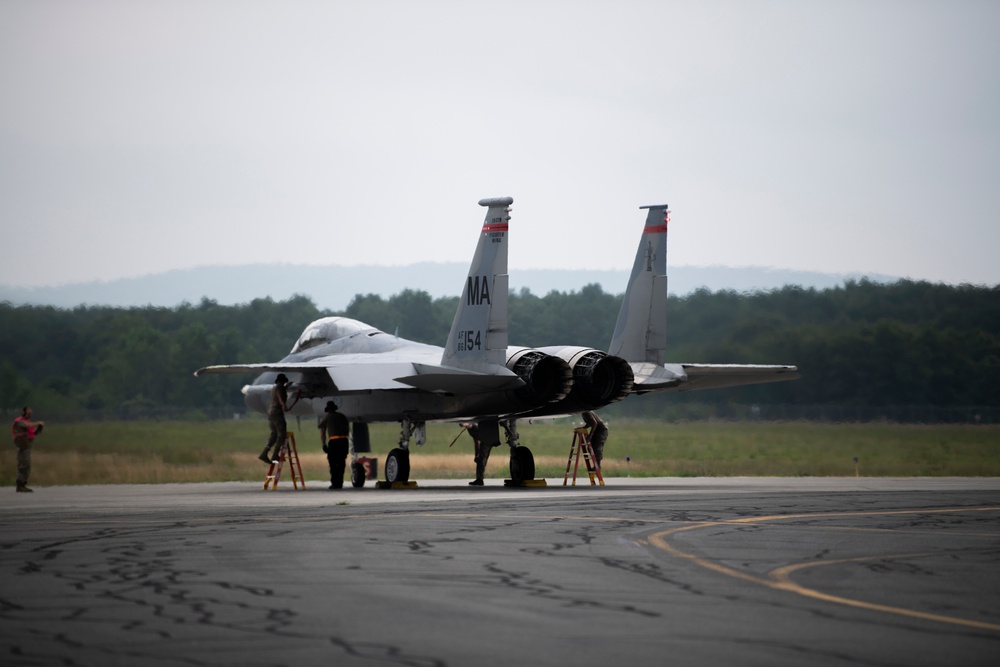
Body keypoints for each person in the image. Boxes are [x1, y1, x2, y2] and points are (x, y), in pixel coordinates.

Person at [259, 374, 300, 464]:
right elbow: (280, 396)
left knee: (274, 434)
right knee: (282, 433)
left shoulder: (275, 388)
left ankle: (264, 453)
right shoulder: (279, 388)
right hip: (277, 411)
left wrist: (287, 387)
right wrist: (283, 404)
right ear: (282, 381)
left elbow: (279, 392)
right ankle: (275, 454)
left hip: (271, 411)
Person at [11, 406, 45, 493]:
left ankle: (23, 484)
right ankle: (20, 485)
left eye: (30, 413)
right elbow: (27, 425)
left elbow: (32, 433)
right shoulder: (19, 421)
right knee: (23, 465)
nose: (29, 415)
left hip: (26, 446)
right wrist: (38, 423)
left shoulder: (28, 422)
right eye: (28, 413)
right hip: (22, 447)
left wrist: (37, 430)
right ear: (24, 412)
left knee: (27, 466)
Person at [319, 401, 350, 489]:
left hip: (334, 442)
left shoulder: (328, 417)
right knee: (341, 463)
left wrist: (323, 444)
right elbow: (347, 428)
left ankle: (335, 483)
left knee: (333, 463)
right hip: (344, 441)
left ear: (328, 409)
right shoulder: (342, 416)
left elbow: (322, 430)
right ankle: (340, 482)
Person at [461, 422, 490, 486]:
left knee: (481, 460)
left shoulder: (473, 426)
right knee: (481, 459)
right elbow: (476, 442)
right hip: (485, 440)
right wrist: (476, 454)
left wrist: (464, 424)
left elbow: (470, 425)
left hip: (487, 440)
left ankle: (480, 480)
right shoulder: (472, 431)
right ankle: (479, 479)